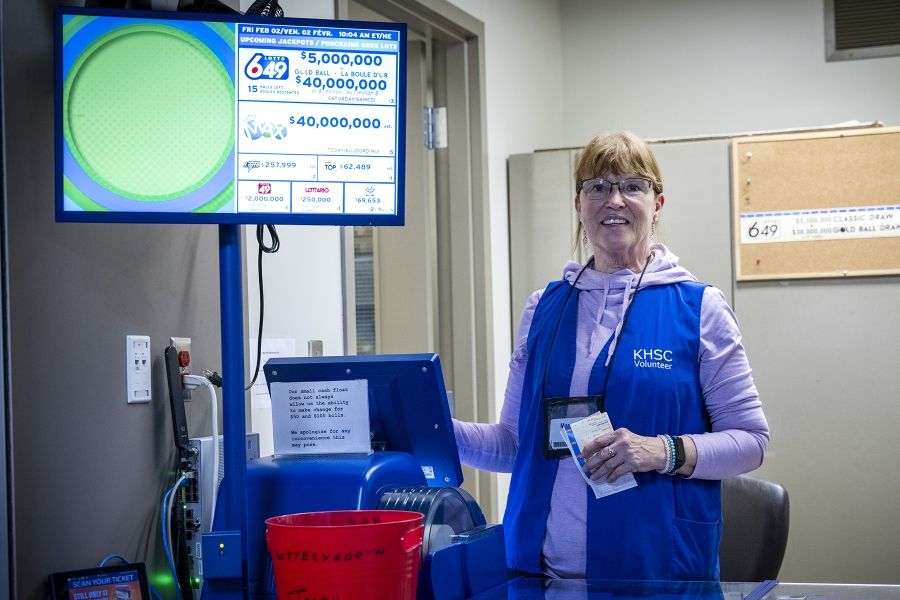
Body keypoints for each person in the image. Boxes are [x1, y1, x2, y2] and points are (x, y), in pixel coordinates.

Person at [453, 131, 769, 581]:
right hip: (538, 575)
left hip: (652, 571)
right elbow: (516, 446)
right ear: (578, 205)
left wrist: (660, 451)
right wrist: (435, 432)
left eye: (632, 186)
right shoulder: (543, 308)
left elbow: (751, 442)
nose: (614, 199)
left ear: (657, 204)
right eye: (597, 187)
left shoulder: (699, 309)